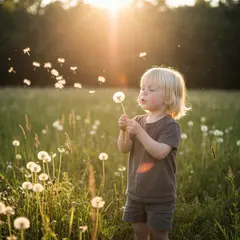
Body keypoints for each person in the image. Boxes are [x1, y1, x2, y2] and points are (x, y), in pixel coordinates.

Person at [117, 67, 191, 240]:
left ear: (168, 97)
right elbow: (124, 148)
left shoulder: (170, 126)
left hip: (160, 195)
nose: (144, 93)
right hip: (136, 192)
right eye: (143, 88)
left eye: (151, 90)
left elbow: (160, 152)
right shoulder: (137, 121)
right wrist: (123, 131)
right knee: (139, 232)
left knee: (159, 234)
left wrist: (140, 132)